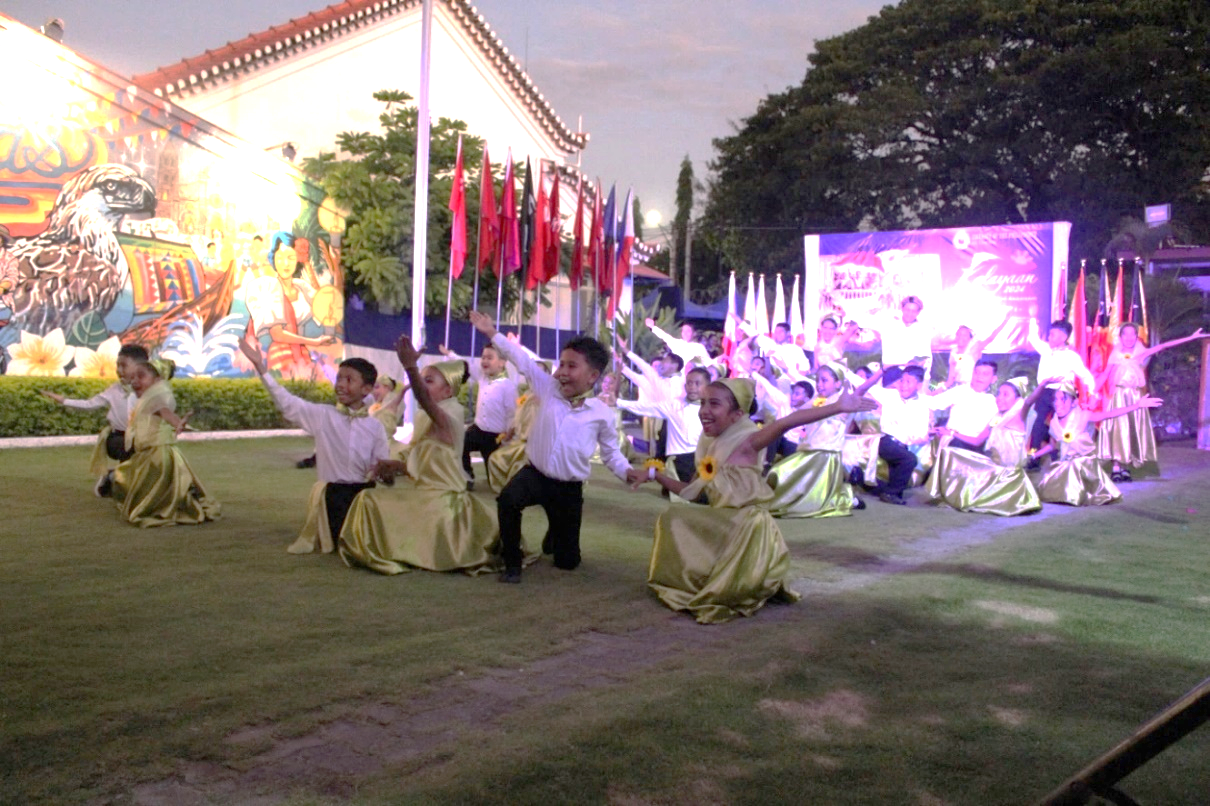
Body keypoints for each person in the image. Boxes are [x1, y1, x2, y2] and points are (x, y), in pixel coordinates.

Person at [639, 378, 876, 623]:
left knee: (677, 518)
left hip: (748, 528)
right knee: (673, 516)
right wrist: (654, 474)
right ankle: (698, 578)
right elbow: (690, 490)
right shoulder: (711, 446)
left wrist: (837, 407)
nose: (704, 411)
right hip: (726, 522)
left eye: (714, 404)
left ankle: (731, 578)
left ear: (737, 414)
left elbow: (787, 422)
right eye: (703, 403)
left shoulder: (748, 441)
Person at [469, 310, 644, 583]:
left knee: (567, 562)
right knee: (507, 500)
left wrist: (627, 471)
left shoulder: (601, 413)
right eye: (561, 364)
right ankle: (512, 563)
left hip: (568, 489)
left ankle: (556, 533)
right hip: (534, 475)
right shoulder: (548, 388)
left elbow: (611, 453)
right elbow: (522, 360)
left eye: (571, 366)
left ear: (593, 375)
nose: (562, 372)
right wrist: (492, 333)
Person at [339, 338, 500, 575]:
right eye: (422, 380)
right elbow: (427, 461)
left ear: (448, 390)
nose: (422, 387)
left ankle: (379, 551)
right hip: (426, 496)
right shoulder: (428, 418)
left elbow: (423, 398)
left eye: (429, 381)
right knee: (368, 496)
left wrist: (410, 368)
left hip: (443, 503)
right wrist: (394, 466)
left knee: (367, 501)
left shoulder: (450, 414)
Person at [239, 333, 389, 553]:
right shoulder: (323, 416)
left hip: (363, 496)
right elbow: (288, 403)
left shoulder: (375, 427)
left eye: (349, 380)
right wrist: (261, 368)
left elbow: (382, 464)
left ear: (366, 389)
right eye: (339, 378)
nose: (340, 385)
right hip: (331, 495)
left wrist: (385, 472)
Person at [108, 359, 220, 527]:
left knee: (151, 483)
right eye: (135, 377)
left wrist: (178, 424)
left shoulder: (156, 400)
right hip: (148, 451)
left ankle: (161, 510)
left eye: (142, 376)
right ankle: (160, 507)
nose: (135, 381)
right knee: (137, 480)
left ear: (157, 380)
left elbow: (167, 414)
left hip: (159, 453)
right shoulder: (146, 399)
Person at [1096, 324, 1206, 481]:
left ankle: (1126, 466)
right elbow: (1105, 375)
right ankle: (1116, 467)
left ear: (1137, 337)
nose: (1129, 338)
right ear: (1120, 337)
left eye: (1133, 334)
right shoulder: (1115, 354)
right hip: (1119, 397)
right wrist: (1091, 392)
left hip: (1136, 398)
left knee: (1132, 431)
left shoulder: (1140, 352)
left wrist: (1190, 337)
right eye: (1125, 335)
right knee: (1118, 431)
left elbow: (1163, 346)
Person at [766, 363, 879, 518]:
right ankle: (843, 497)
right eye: (818, 380)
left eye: (824, 380)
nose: (819, 384)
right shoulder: (817, 401)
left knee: (781, 473)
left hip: (825, 456)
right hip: (808, 453)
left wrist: (882, 371)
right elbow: (797, 414)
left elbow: (861, 389)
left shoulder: (841, 401)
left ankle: (845, 499)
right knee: (780, 474)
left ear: (838, 383)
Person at [41, 343, 146, 493]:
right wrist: (64, 400)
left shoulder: (149, 390)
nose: (119, 371)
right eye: (118, 366)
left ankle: (116, 480)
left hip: (142, 438)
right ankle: (114, 477)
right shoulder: (114, 390)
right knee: (132, 449)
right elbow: (89, 404)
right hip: (118, 439)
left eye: (124, 366)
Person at [1034, 384, 1161, 506]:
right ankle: (1067, 493)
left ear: (1073, 403)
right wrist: (1035, 455)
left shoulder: (1083, 416)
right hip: (1067, 463)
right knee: (1051, 480)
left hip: (1085, 464)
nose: (1058, 403)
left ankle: (1079, 493)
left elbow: (1110, 414)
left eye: (1063, 399)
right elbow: (1052, 445)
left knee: (1074, 468)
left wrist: (1137, 406)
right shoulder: (1054, 423)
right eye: (1055, 399)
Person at [441, 342, 518, 490]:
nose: (485, 361)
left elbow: (512, 414)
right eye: (483, 357)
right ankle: (467, 476)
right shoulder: (482, 378)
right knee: (460, 442)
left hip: (495, 436)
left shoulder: (507, 386)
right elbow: (466, 365)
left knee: (495, 479)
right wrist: (450, 354)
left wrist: (508, 436)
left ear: (502, 363)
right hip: (478, 429)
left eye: (490, 358)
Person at [617, 366, 708, 482]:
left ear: (708, 386)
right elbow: (646, 407)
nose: (692, 387)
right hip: (678, 461)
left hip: (701, 460)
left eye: (697, 383)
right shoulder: (674, 405)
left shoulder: (711, 410)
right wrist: (618, 402)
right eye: (689, 383)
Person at [1026, 319, 1096, 453]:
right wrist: (1033, 318)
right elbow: (1033, 338)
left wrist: (1091, 393)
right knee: (1038, 422)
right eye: (1049, 334)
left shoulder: (1071, 356)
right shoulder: (1046, 349)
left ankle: (1059, 454)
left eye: (1053, 334)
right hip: (1045, 391)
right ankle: (1033, 456)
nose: (1049, 337)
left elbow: (1085, 375)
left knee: (1060, 424)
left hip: (1062, 393)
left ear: (1063, 337)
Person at [866, 364, 933, 505]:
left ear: (919, 385)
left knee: (896, 481)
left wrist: (916, 438)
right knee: (909, 460)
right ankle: (890, 494)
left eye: (908, 382)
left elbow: (921, 434)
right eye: (902, 380)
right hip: (885, 441)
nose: (903, 385)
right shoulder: (890, 395)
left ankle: (862, 480)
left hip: (903, 446)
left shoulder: (923, 405)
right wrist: (845, 371)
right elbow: (866, 385)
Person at [851, 296, 936, 377]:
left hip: (913, 375)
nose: (910, 313)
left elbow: (926, 356)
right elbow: (857, 318)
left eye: (914, 311)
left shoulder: (924, 329)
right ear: (902, 309)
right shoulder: (888, 323)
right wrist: (875, 306)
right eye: (907, 310)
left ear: (918, 312)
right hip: (891, 373)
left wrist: (925, 376)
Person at [943, 317, 1010, 388]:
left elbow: (991, 338)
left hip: (973, 388)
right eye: (959, 334)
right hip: (958, 388)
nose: (961, 337)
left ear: (969, 338)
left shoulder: (974, 348)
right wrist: (935, 391)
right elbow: (950, 380)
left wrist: (1005, 321)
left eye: (964, 335)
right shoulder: (953, 353)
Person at [645, 317, 713, 369]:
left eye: (688, 331)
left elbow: (708, 362)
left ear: (694, 333)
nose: (685, 333)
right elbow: (664, 336)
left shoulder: (699, 347)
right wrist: (652, 326)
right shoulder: (677, 343)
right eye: (683, 331)